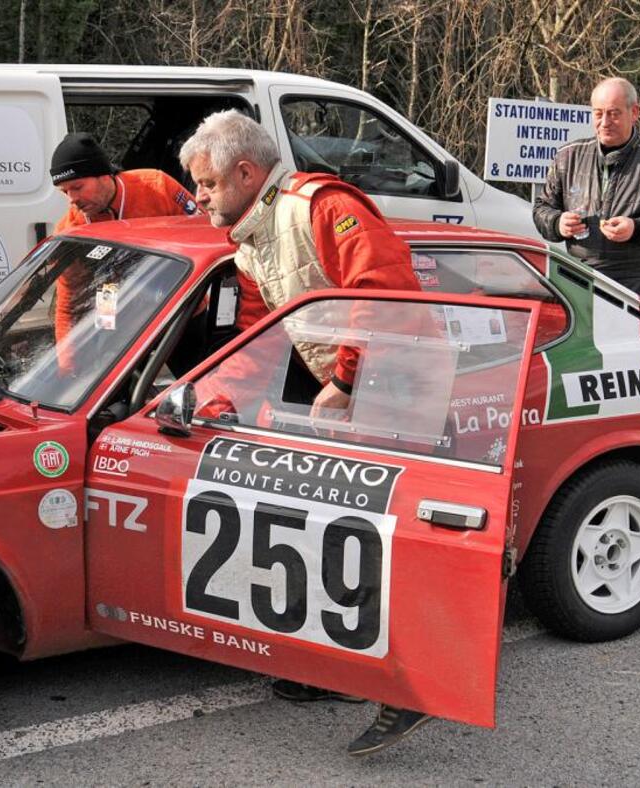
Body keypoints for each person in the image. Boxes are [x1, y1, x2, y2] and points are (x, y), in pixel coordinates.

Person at [178, 108, 431, 757]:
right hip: (350, 390)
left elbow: (388, 289)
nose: (197, 196)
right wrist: (215, 397)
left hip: (399, 384)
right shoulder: (250, 237)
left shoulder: (317, 206)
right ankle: (342, 668)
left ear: (244, 172)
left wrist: (346, 379)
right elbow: (260, 339)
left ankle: (414, 687)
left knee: (383, 540)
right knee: (333, 530)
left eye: (205, 184)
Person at [532, 77, 640, 305]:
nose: (604, 122)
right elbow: (542, 208)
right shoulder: (567, 157)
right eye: (598, 113)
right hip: (576, 284)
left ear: (634, 112)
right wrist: (556, 222)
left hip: (636, 290)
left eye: (614, 113)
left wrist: (638, 228)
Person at [49, 133, 198, 370]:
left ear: (104, 174)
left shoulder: (156, 186)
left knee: (197, 377)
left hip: (177, 301)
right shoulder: (70, 228)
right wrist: (66, 365)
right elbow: (68, 301)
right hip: (111, 306)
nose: (72, 199)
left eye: (77, 187)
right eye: (65, 192)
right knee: (114, 389)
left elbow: (207, 230)